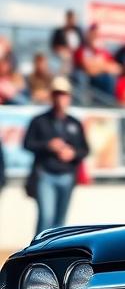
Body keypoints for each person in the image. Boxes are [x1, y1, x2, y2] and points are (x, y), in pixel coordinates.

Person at [22, 76, 89, 237]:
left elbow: (85, 150)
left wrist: (73, 153)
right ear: (52, 96)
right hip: (45, 174)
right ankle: (37, 255)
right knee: (46, 218)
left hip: (67, 176)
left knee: (60, 223)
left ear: (69, 97)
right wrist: (48, 145)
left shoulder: (75, 123)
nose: (60, 98)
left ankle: (54, 256)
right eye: (57, 94)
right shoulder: (39, 121)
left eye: (64, 94)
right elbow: (27, 144)